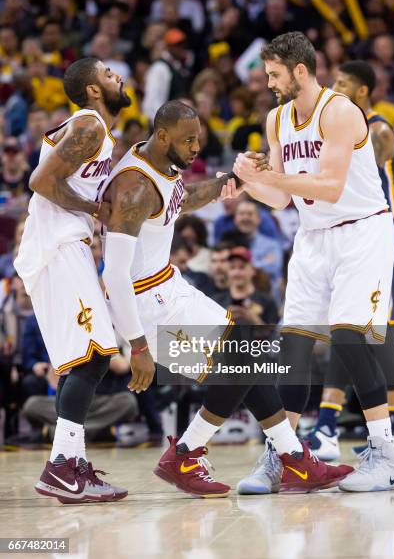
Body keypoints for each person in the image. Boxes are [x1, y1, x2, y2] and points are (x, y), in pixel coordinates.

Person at [100, 99, 351, 498]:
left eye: (197, 138)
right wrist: (138, 345)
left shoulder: (158, 163)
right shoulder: (133, 188)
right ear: (162, 135)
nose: (196, 147)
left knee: (244, 352)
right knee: (241, 356)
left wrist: (230, 184)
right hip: (147, 304)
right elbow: (113, 275)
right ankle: (193, 453)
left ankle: (290, 459)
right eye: (188, 140)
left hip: (168, 284)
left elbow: (180, 200)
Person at [231, 31, 394, 492]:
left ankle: (388, 454)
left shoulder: (341, 112)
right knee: (292, 348)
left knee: (350, 338)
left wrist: (274, 177)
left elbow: (329, 186)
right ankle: (285, 455)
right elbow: (280, 200)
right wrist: (250, 181)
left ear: (300, 71)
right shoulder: (276, 120)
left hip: (362, 231)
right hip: (313, 238)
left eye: (274, 74)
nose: (268, 82)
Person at [14, 57, 131, 504]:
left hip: (66, 247)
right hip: (59, 245)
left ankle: (69, 465)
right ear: (93, 89)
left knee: (83, 359)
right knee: (95, 356)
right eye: (106, 73)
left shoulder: (96, 131)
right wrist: (92, 209)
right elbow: (40, 181)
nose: (116, 75)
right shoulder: (90, 126)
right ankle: (63, 467)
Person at [305, 61, 394, 460]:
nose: (334, 89)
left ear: (363, 92)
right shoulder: (335, 127)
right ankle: (329, 423)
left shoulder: (378, 129)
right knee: (347, 328)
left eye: (343, 84)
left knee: (379, 328)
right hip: (348, 233)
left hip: (377, 233)